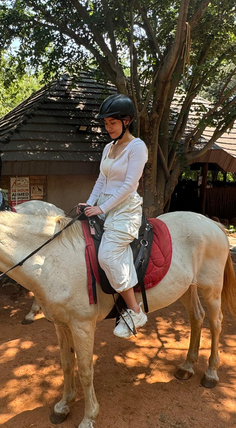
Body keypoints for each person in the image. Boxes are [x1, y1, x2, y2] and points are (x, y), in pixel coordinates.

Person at [80, 94, 149, 338]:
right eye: (106, 124)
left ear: (126, 121)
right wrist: (88, 204)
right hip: (104, 206)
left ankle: (135, 311)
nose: (107, 128)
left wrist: (102, 208)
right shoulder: (108, 148)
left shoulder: (137, 147)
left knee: (107, 256)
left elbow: (129, 185)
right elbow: (102, 180)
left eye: (112, 123)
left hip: (125, 210)